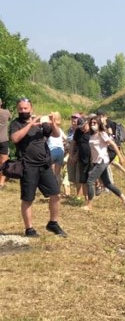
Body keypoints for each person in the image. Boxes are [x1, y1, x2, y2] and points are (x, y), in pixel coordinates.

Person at [9, 98, 67, 237]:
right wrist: (30, 124)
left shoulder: (41, 124)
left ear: (31, 109)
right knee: (28, 198)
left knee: (56, 194)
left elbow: (57, 134)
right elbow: (15, 138)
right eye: (20, 108)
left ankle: (53, 223)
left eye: (25, 108)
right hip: (28, 166)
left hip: (44, 165)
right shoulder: (16, 124)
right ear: (18, 109)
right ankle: (29, 229)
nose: (23, 111)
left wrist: (52, 123)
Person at [84, 116, 125, 211]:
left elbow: (113, 144)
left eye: (95, 123)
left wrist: (120, 157)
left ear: (99, 124)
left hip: (102, 161)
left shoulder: (102, 134)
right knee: (107, 183)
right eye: (91, 123)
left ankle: (89, 205)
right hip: (96, 161)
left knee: (90, 180)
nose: (92, 124)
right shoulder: (91, 135)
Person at [97, 110, 125, 183]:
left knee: (102, 165)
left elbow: (110, 133)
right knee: (111, 162)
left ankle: (105, 184)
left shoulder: (107, 122)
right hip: (112, 146)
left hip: (112, 146)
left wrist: (104, 128)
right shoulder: (106, 122)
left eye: (98, 117)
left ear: (102, 116)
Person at [46, 111, 66, 190]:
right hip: (60, 151)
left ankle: (50, 188)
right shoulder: (60, 130)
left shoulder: (49, 129)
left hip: (52, 150)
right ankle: (58, 189)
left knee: (49, 171)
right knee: (57, 173)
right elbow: (66, 139)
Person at [0, 97, 12, 189]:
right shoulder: (6, 112)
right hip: (3, 140)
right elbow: (10, 118)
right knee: (4, 161)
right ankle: (1, 182)